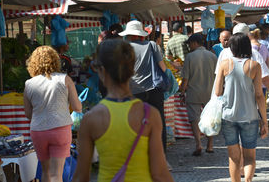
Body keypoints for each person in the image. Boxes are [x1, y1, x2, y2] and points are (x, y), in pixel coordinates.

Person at [72, 39, 174, 182]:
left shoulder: (91, 119)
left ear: (100, 71)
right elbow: (160, 173)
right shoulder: (149, 114)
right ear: (132, 69)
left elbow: (81, 177)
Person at [215, 33, 268, 182]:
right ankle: (248, 180)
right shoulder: (254, 66)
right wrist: (264, 120)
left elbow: (218, 91)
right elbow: (259, 95)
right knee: (250, 156)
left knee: (233, 157)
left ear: (231, 47)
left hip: (229, 116)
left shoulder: (224, 64)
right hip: (250, 116)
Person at [24, 46, 82, 182]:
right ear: (56, 61)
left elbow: (28, 114)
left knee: (45, 173)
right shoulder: (64, 79)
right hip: (60, 129)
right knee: (57, 174)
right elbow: (77, 107)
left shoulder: (29, 84)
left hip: (38, 130)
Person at [118, 20, 169, 152]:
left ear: (128, 35)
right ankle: (160, 154)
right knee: (158, 122)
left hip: (133, 92)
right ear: (141, 34)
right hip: (154, 91)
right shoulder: (152, 45)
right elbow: (163, 68)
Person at [216, 23, 269, 106]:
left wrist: (218, 98)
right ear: (247, 36)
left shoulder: (224, 53)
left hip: (229, 101)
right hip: (249, 102)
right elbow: (264, 79)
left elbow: (218, 80)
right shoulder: (254, 53)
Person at [180, 33, 217, 156]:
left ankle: (198, 144)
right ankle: (210, 145)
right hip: (210, 93)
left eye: (190, 44)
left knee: (194, 119)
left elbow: (185, 79)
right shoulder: (213, 56)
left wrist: (182, 92)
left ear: (195, 43)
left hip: (193, 92)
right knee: (211, 119)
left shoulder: (190, 57)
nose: (189, 46)